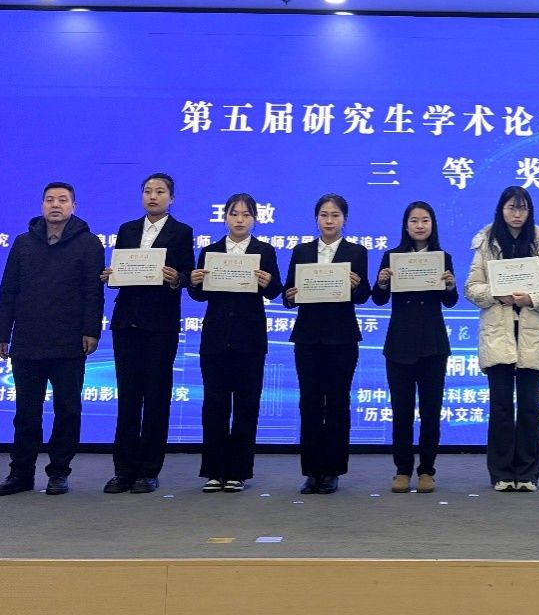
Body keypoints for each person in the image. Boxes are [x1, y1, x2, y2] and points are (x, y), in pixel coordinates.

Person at [0, 182, 104, 496]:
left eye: (63, 200)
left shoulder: (89, 243)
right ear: (42, 205)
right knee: (26, 413)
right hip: (27, 340)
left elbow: (93, 293)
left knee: (68, 411)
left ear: (73, 206)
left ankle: (59, 472)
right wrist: (1, 333)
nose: (56, 205)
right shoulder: (23, 243)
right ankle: (20, 474)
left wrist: (91, 331)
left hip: (69, 341)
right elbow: (8, 291)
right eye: (50, 199)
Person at [100, 173, 195, 495]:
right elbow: (121, 272)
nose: (152, 196)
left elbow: (188, 274)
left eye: (160, 191)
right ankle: (123, 471)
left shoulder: (181, 232)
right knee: (128, 398)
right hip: (127, 323)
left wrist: (176, 278)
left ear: (171, 198)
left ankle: (149, 470)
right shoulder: (127, 229)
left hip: (160, 325)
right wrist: (111, 275)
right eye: (147, 191)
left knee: (156, 398)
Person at [465, 186, 539, 492]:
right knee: (502, 408)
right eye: (511, 207)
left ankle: (529, 473)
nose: (517, 214)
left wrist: (530, 298)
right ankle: (501, 473)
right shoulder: (486, 243)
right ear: (501, 210)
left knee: (530, 408)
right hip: (498, 334)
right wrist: (497, 293)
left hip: (532, 335)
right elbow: (472, 288)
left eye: (522, 208)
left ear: (529, 211)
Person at [188, 192, 282, 493]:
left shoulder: (264, 251)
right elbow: (199, 295)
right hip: (215, 338)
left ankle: (238, 472)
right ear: (225, 217)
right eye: (234, 214)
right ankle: (214, 471)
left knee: (246, 406)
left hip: (249, 339)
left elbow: (275, 291)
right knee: (214, 405)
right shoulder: (210, 251)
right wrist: (194, 282)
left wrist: (268, 283)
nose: (240, 220)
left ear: (255, 218)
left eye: (246, 214)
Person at [282, 193, 370, 495]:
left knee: (337, 404)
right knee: (309, 403)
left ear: (344, 219)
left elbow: (364, 295)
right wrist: (290, 296)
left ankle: (332, 471)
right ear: (316, 218)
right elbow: (288, 295)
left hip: (342, 338)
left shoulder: (356, 252)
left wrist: (357, 286)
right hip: (308, 338)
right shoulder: (302, 251)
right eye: (324, 215)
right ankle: (311, 472)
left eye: (335, 215)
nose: (329, 220)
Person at [372, 201, 458, 493]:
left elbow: (450, 302)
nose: (419, 226)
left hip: (433, 344)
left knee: (431, 412)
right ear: (405, 225)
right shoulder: (392, 256)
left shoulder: (442, 258)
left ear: (432, 225)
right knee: (401, 412)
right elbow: (379, 300)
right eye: (414, 221)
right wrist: (382, 282)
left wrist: (449, 285)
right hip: (400, 344)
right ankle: (402, 470)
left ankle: (427, 470)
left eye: (425, 220)